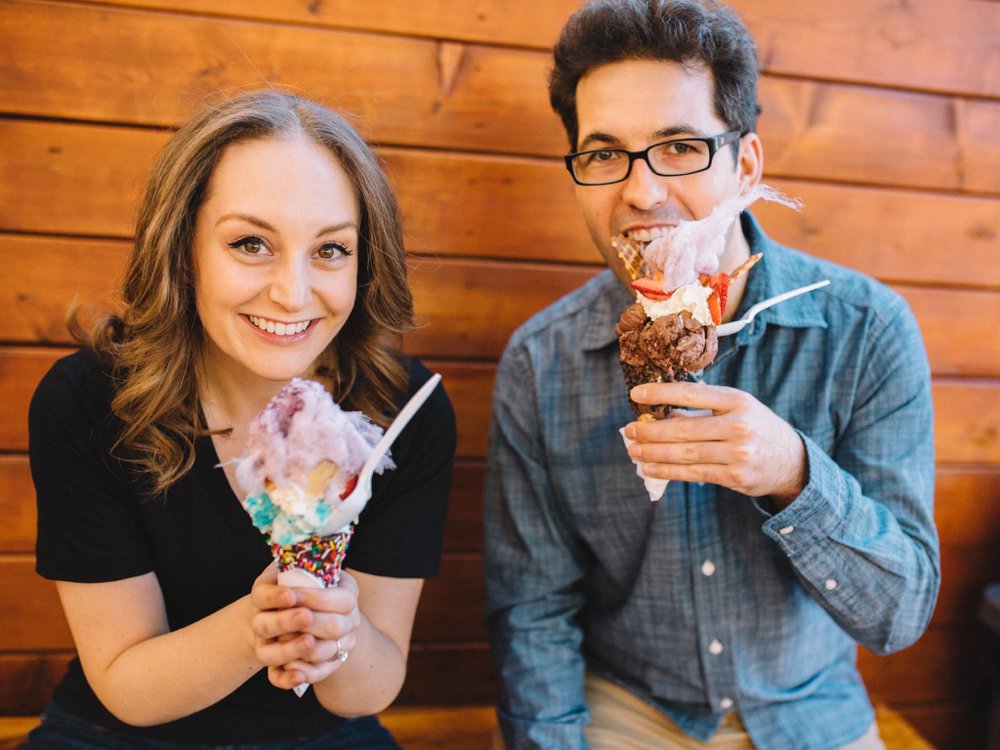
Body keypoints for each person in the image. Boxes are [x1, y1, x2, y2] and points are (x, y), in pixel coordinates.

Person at [483, 2, 938, 749]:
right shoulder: (542, 362)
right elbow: (532, 615)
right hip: (626, 710)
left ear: (746, 165)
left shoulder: (867, 329)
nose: (639, 191)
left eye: (679, 147)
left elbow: (899, 614)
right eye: (603, 155)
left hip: (810, 711)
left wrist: (794, 473)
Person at [27, 89, 456, 749]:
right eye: (251, 243)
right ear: (184, 248)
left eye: (331, 250)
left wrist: (334, 631)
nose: (292, 292)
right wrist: (263, 622)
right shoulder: (91, 402)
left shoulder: (402, 413)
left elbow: (366, 690)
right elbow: (125, 683)